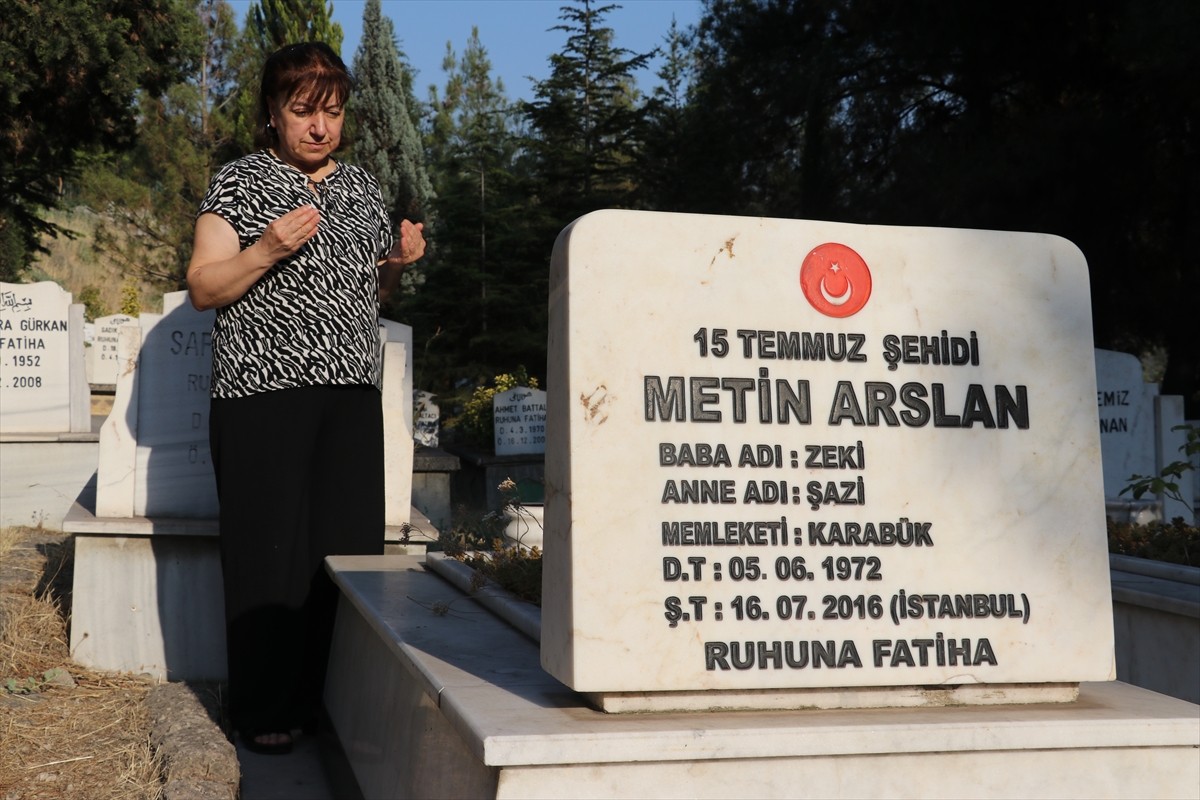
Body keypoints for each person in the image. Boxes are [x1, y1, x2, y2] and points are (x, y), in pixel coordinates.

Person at [186, 42, 425, 755]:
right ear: (272, 111)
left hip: (350, 396)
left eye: (333, 112)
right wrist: (265, 249)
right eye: (303, 111)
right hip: (263, 397)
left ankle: (325, 704)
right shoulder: (241, 184)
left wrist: (396, 267)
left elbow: (363, 293)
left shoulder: (360, 190)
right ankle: (261, 710)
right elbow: (204, 286)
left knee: (343, 557)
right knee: (269, 557)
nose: (320, 127)